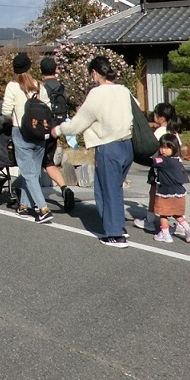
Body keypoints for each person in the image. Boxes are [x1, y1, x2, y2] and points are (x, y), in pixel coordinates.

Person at [55, 56, 136, 248]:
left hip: (108, 147)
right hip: (127, 145)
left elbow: (77, 124)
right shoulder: (124, 91)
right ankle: (119, 226)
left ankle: (115, 234)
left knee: (105, 190)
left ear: (94, 73)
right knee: (115, 189)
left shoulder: (97, 94)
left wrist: (58, 130)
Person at [2, 54, 54, 224]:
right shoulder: (39, 85)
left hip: (21, 131)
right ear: (30, 67)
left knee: (28, 172)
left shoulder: (12, 86)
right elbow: (48, 108)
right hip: (39, 133)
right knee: (33, 172)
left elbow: (5, 111)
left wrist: (11, 119)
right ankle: (23, 206)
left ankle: (43, 209)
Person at [135, 102, 183, 233]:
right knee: (175, 195)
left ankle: (149, 221)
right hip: (175, 169)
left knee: (154, 194)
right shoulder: (174, 131)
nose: (153, 116)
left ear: (161, 117)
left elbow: (150, 147)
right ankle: (181, 223)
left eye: (155, 114)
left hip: (160, 168)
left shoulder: (160, 132)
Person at [40, 57, 76, 212]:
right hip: (56, 129)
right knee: (49, 163)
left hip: (41, 131)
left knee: (35, 163)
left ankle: (31, 199)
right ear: (55, 70)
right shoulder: (61, 87)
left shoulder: (41, 88)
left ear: (41, 71)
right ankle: (65, 189)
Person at [149, 136, 190, 243]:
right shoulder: (177, 160)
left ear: (174, 149)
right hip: (179, 192)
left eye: (167, 148)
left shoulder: (164, 160)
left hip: (166, 192)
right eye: (162, 147)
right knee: (176, 213)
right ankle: (189, 229)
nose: (163, 150)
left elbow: (152, 161)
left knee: (163, 213)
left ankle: (165, 234)